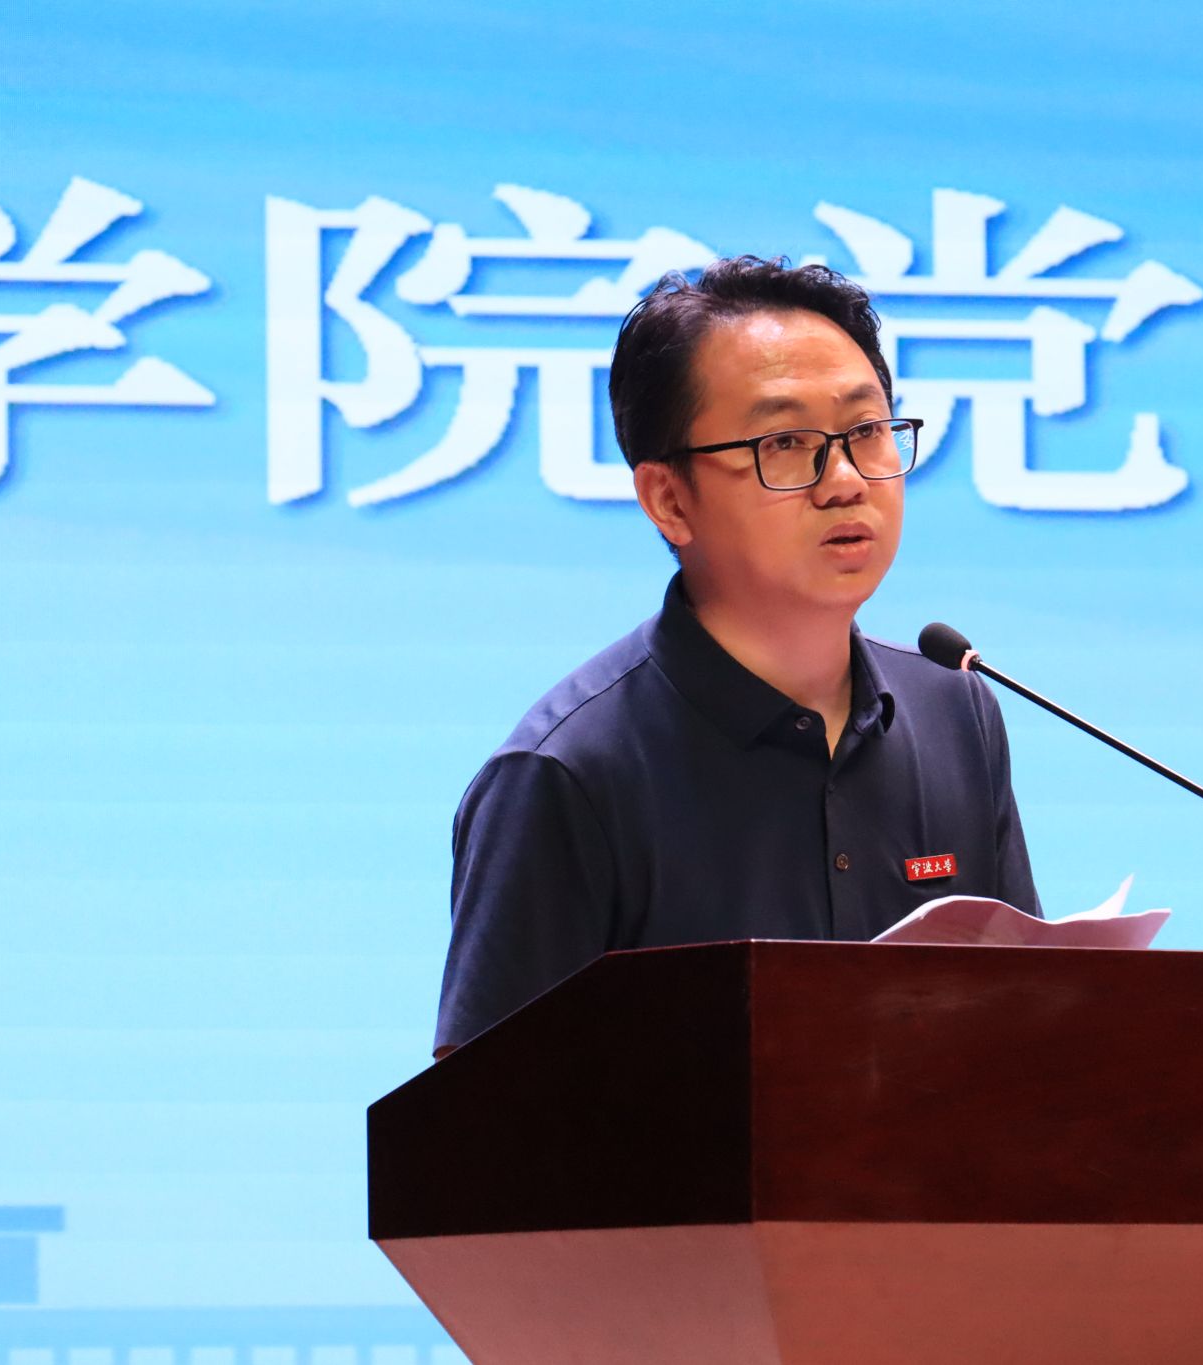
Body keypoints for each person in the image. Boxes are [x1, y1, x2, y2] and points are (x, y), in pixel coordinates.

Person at [433, 256, 1040, 1057]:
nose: (846, 481)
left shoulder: (957, 710)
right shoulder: (567, 776)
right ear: (669, 499)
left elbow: (1027, 1029)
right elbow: (483, 1115)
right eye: (785, 442)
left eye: (866, 431)